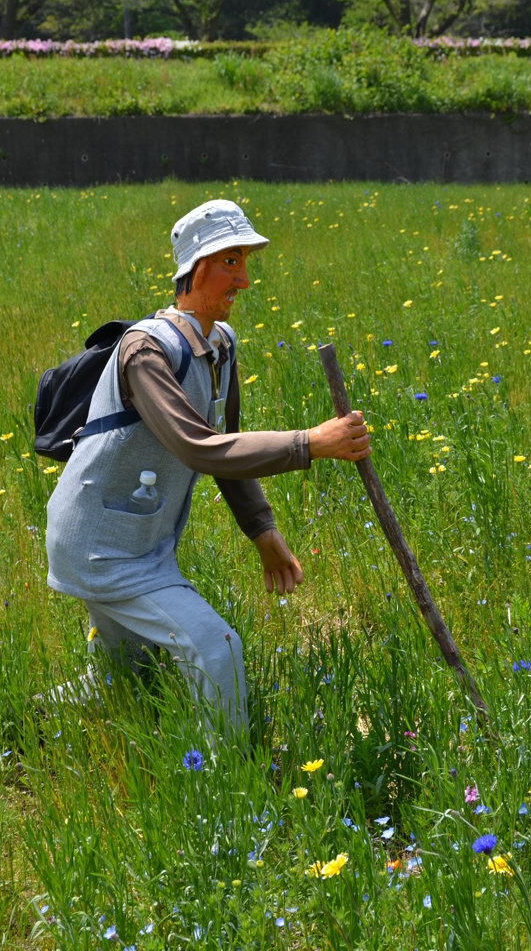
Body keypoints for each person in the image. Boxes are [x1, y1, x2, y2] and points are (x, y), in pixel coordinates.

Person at [45, 199, 370, 732]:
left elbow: (226, 445)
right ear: (198, 268)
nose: (243, 281)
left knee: (125, 676)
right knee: (218, 651)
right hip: (101, 546)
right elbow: (199, 448)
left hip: (140, 539)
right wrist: (311, 443)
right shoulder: (143, 351)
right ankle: (227, 793)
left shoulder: (220, 346)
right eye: (232, 263)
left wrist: (262, 531)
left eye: (245, 263)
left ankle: (27, 721)